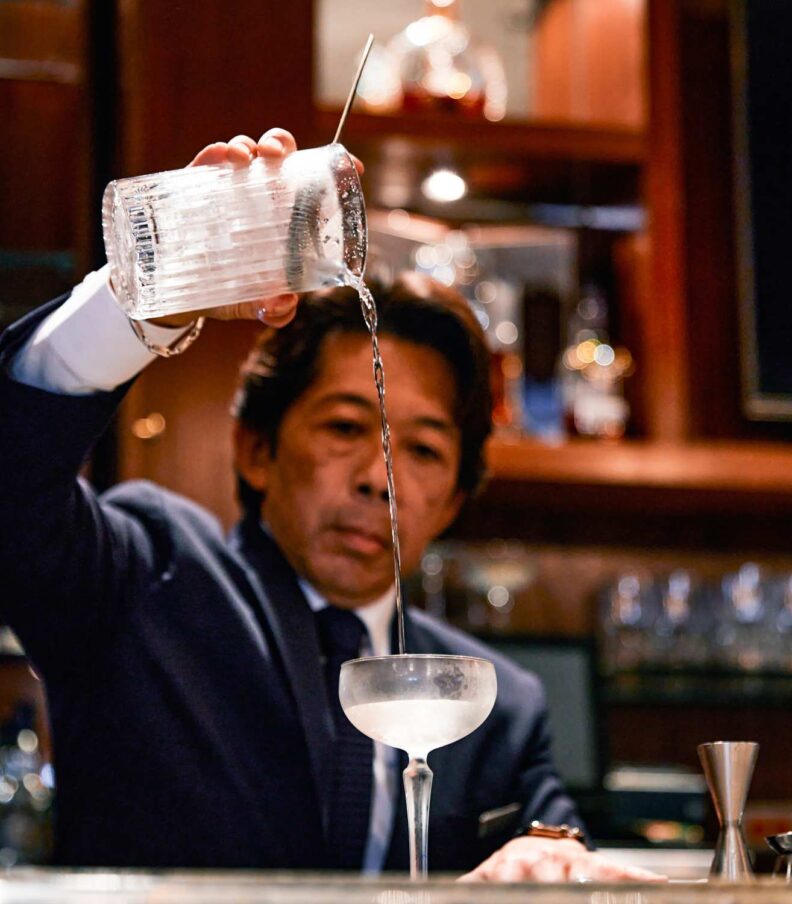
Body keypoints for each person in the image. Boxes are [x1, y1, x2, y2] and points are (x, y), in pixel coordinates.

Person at [0, 129, 661, 883]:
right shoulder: (147, 577)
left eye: (423, 451)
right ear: (255, 448)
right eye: (347, 428)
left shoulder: (495, 702)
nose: (380, 478)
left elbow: (557, 851)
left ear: (452, 499)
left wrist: (551, 857)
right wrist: (145, 297)